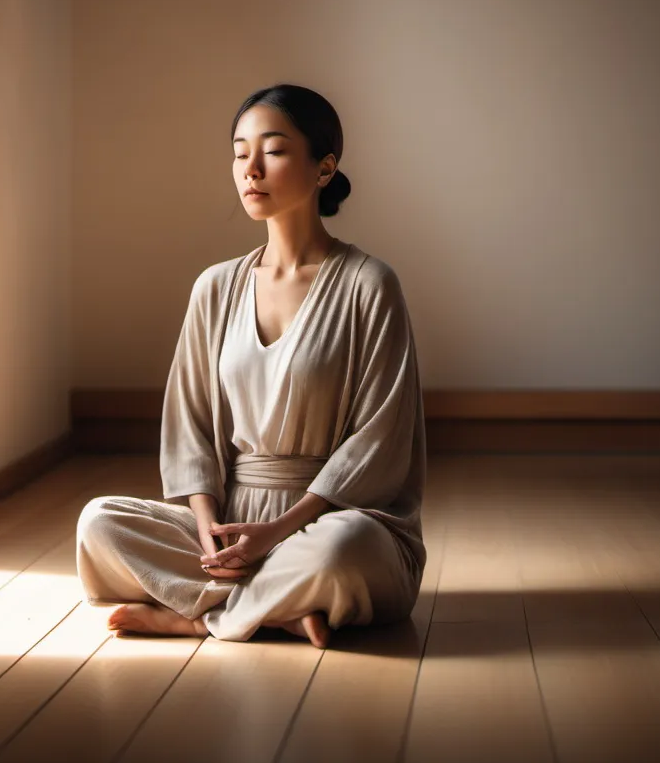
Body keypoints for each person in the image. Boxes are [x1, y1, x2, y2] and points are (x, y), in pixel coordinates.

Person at [75, 83, 427, 647]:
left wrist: (280, 532)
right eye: (240, 153)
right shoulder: (215, 287)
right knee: (99, 523)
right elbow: (188, 425)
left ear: (324, 168)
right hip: (233, 524)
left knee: (344, 551)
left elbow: (380, 441)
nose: (251, 169)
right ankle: (273, 608)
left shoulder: (369, 284)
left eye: (274, 150)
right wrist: (209, 531)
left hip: (331, 521)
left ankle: (198, 617)